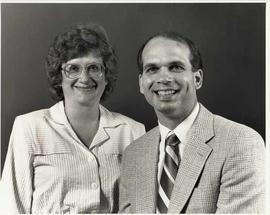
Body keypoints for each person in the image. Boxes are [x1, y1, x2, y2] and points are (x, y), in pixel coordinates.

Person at [0, 23, 145, 213]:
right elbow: (11, 206)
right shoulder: (29, 127)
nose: (84, 78)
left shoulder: (133, 132)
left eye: (94, 68)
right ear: (58, 76)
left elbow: (141, 208)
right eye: (73, 68)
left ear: (106, 75)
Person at [119, 31, 265, 213]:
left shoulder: (241, 143)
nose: (164, 78)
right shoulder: (133, 154)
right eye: (152, 69)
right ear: (141, 83)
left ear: (197, 79)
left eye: (175, 67)